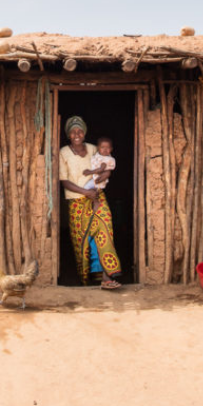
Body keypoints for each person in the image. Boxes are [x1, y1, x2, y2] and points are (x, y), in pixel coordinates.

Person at [59, 116, 122, 289]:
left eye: (80, 131)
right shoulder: (63, 153)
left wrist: (100, 181)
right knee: (83, 240)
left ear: (84, 133)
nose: (77, 134)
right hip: (77, 201)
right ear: (68, 135)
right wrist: (85, 192)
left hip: (97, 196)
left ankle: (107, 277)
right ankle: (87, 280)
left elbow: (107, 166)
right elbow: (64, 181)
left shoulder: (94, 149)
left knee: (105, 229)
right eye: (73, 131)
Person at [83, 137, 116, 212]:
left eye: (107, 148)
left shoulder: (106, 159)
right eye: (102, 147)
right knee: (90, 190)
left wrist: (89, 172)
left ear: (111, 149)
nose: (105, 150)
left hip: (99, 179)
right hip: (95, 178)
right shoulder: (98, 155)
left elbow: (101, 169)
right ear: (98, 148)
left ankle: (95, 202)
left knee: (86, 188)